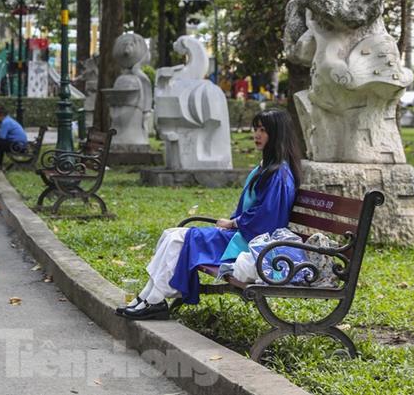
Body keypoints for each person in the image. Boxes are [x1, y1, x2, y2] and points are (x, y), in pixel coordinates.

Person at [116, 108, 301, 320]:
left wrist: (233, 223)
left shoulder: (279, 174)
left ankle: (155, 300)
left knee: (177, 239)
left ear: (277, 134)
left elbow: (266, 218)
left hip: (252, 245)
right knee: (170, 234)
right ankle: (147, 297)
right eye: (256, 129)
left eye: (263, 130)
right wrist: (233, 224)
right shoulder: (265, 169)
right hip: (241, 236)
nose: (256, 135)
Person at [0, 105, 28, 169]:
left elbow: (2, 137)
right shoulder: (9, 120)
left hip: (17, 146)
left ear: (0, 115)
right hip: (20, 145)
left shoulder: (5, 122)